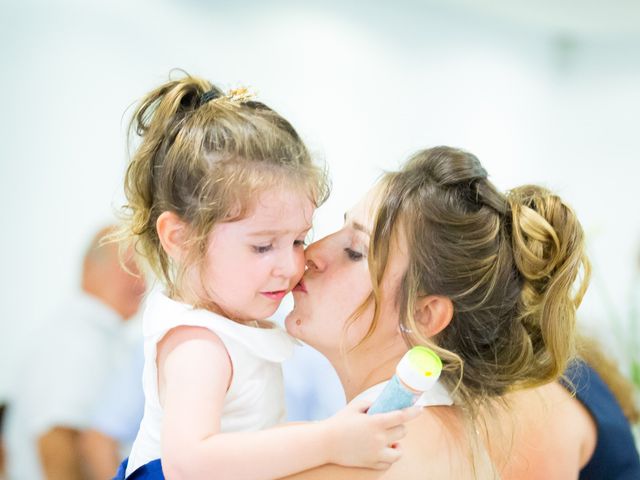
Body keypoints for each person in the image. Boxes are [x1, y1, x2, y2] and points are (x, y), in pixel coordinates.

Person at [116, 74, 419, 479]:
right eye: (262, 246)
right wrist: (328, 440)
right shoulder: (199, 344)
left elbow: (253, 437)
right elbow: (188, 462)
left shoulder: (231, 326)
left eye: (297, 240)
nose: (292, 265)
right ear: (181, 238)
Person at [282, 145, 614, 478]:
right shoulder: (443, 433)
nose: (312, 252)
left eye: (355, 251)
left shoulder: (381, 461)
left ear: (425, 315)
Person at [4, 225, 146, 480]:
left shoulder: (105, 339)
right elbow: (56, 442)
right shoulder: (72, 340)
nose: (142, 282)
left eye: (144, 271)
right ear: (89, 268)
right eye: (129, 268)